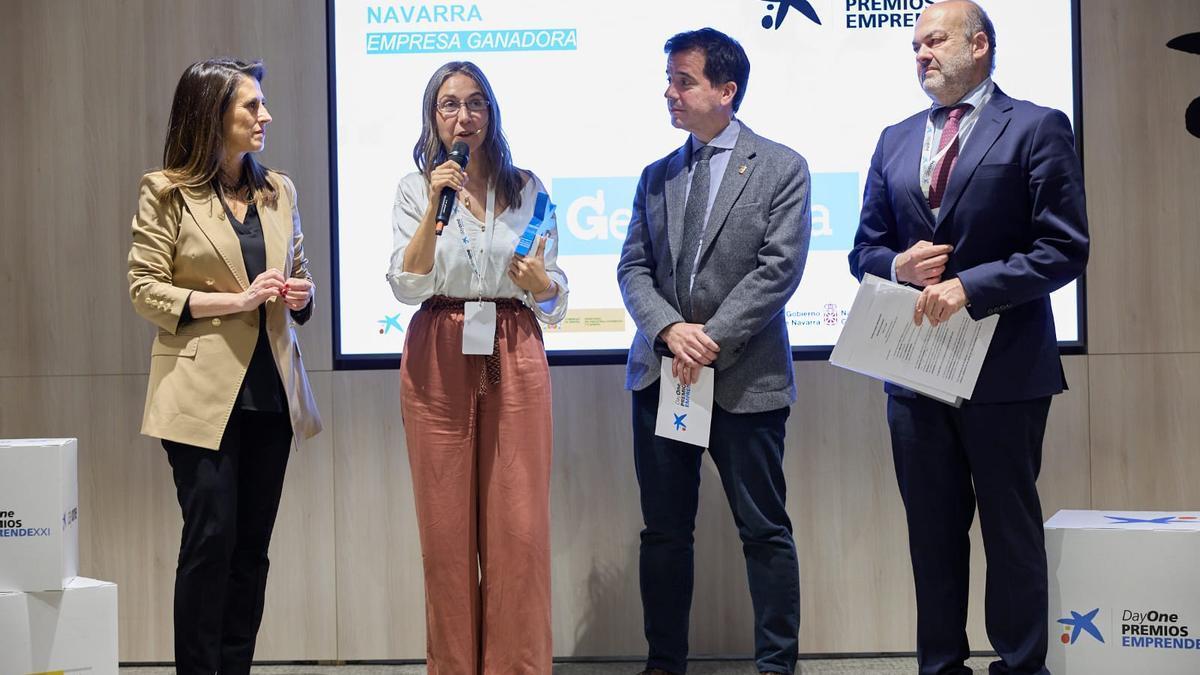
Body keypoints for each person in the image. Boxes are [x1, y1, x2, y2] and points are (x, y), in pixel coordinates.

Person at [848, 2, 1089, 673]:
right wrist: (895, 265)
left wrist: (971, 286)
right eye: (915, 45)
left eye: (935, 41)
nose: (921, 53)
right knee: (931, 535)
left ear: (979, 45)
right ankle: (940, 665)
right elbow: (863, 249)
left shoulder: (1037, 127)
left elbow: (1064, 249)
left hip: (1005, 370)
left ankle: (1020, 664)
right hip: (914, 369)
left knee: (1010, 535)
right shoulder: (895, 137)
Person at [617, 28, 811, 675]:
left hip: (744, 380)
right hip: (664, 376)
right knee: (665, 534)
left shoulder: (783, 167)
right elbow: (633, 269)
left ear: (726, 91)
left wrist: (710, 337)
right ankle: (664, 663)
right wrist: (672, 331)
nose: (669, 92)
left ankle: (777, 665)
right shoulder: (656, 176)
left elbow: (778, 270)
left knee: (764, 531)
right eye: (669, 79)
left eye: (683, 80)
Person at [127, 58, 322, 675]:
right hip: (199, 394)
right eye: (251, 106)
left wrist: (300, 295)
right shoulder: (166, 190)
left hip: (272, 390)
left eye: (262, 105)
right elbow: (144, 290)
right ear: (212, 112)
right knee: (209, 543)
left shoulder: (279, 189)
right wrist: (234, 300)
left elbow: (302, 275)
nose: (264, 117)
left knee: (251, 552)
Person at [386, 61, 569, 674]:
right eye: (448, 106)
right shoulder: (417, 189)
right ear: (432, 118)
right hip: (438, 348)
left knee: (518, 530)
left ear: (491, 114)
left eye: (474, 104)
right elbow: (406, 283)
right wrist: (436, 202)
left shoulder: (529, 187)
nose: (462, 117)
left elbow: (554, 292)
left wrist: (542, 285)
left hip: (515, 346)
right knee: (446, 535)